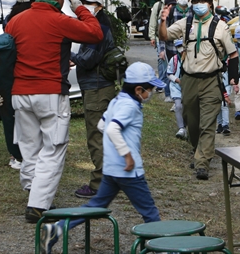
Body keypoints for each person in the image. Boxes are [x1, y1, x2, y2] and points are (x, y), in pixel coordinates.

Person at [5, 0, 104, 223]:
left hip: (20, 92)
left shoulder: (15, 21)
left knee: (29, 148)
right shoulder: (59, 20)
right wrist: (78, 5)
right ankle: (37, 206)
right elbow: (95, 32)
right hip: (49, 92)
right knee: (54, 147)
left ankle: (32, 189)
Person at [40, 62, 164, 254]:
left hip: (111, 169)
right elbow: (113, 128)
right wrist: (127, 154)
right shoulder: (130, 106)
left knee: (96, 204)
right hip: (129, 171)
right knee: (150, 212)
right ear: (139, 89)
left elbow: (101, 125)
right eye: (150, 89)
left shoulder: (117, 101)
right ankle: (163, 248)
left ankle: (57, 228)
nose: (152, 93)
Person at [158, 0, 238, 180]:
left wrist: (234, 78)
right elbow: (165, 35)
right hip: (189, 81)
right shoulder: (186, 23)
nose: (199, 4)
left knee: (207, 124)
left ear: (210, 3)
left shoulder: (220, 27)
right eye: (196, 1)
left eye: (203, 0)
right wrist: (163, 21)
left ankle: (202, 162)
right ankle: (198, 150)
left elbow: (233, 54)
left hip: (211, 80)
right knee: (191, 123)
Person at [71, 0, 118, 199]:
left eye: (88, 3)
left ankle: (99, 184)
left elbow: (88, 60)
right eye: (81, 2)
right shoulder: (99, 25)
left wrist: (67, 53)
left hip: (97, 89)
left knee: (96, 137)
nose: (84, 5)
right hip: (99, 87)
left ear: (99, 6)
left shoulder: (97, 28)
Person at [0, 0, 36, 171]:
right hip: (29, 75)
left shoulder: (10, 19)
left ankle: (16, 155)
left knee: (11, 117)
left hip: (8, 74)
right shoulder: (32, 17)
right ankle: (29, 155)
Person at [148, 0, 176, 99]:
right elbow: (153, 21)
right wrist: (152, 37)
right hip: (160, 38)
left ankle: (167, 85)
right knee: (162, 60)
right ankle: (161, 84)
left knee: (171, 64)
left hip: (172, 39)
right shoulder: (158, 5)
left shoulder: (176, 6)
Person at [156, 0, 177, 103]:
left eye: (173, 5)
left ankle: (176, 95)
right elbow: (161, 37)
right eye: (169, 5)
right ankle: (168, 94)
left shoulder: (178, 15)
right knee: (168, 72)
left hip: (178, 49)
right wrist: (162, 51)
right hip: (169, 49)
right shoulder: (163, 17)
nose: (171, 7)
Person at [167, 39, 187, 140]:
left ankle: (187, 126)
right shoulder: (174, 59)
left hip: (188, 87)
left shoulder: (189, 58)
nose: (180, 49)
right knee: (178, 106)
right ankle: (181, 128)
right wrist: (176, 80)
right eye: (178, 46)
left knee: (187, 107)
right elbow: (169, 73)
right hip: (176, 86)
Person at [216, 68, 232, 136]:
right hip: (216, 86)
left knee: (224, 105)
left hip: (226, 85)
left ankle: (225, 125)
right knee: (218, 105)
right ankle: (220, 124)